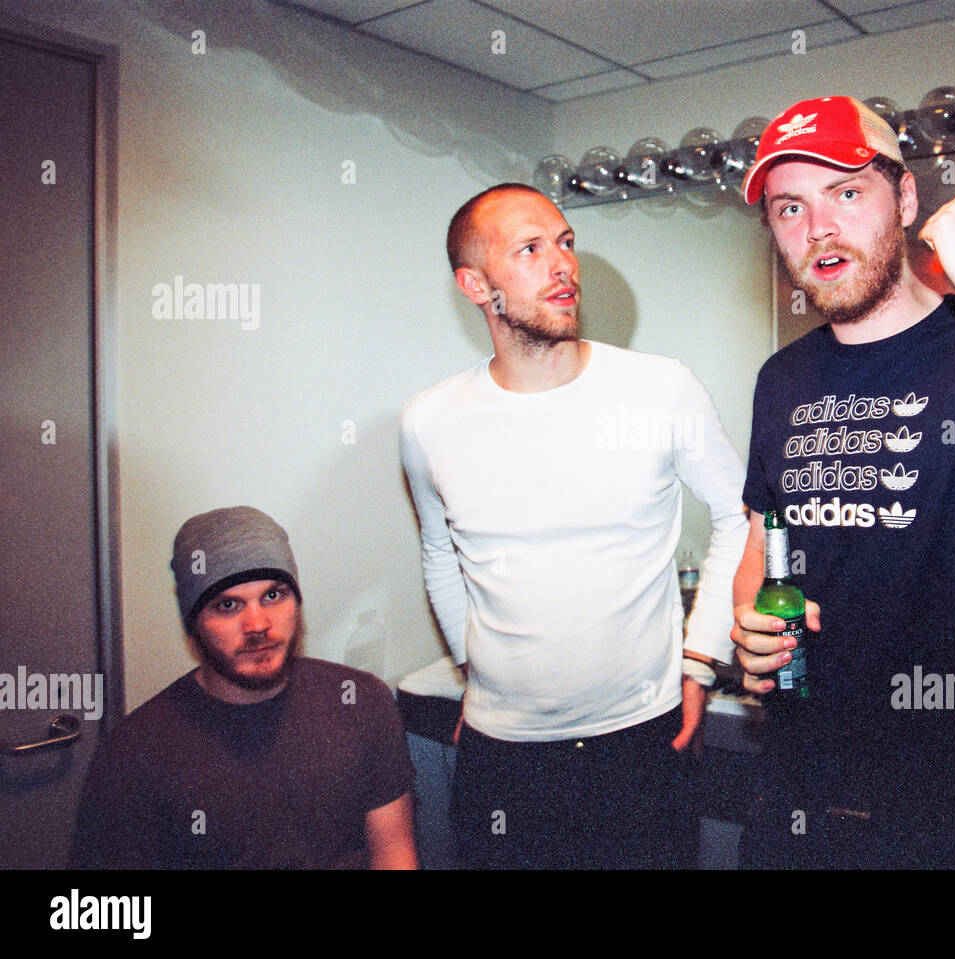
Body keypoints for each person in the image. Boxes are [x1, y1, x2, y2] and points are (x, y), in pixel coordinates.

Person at [729, 96, 955, 868]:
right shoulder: (780, 377)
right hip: (795, 801)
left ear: (907, 200)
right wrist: (749, 618)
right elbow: (764, 534)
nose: (818, 227)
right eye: (791, 207)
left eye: (846, 194)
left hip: (949, 815)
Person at [399, 183, 747, 869]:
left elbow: (740, 514)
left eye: (565, 242)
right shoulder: (429, 421)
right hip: (504, 760)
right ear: (474, 284)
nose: (562, 264)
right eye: (530, 249)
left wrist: (702, 662)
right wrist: (477, 676)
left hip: (644, 746)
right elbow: (440, 553)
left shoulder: (660, 388)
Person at [70, 506, 417, 869]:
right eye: (228, 605)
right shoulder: (136, 751)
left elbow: (394, 850)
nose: (257, 624)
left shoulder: (361, 702)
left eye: (273, 596)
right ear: (193, 623)